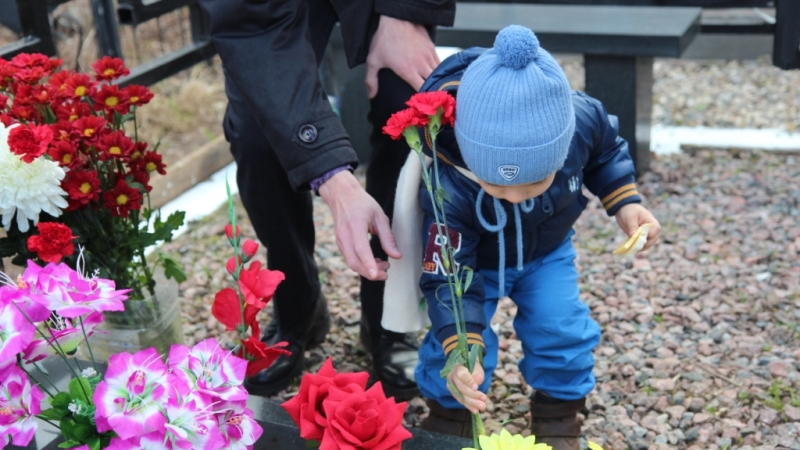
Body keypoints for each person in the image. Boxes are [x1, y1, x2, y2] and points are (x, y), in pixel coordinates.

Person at [408, 26, 661, 449]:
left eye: (535, 182)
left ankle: (559, 410)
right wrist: (462, 346)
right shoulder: (448, 188)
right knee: (454, 345)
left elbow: (605, 152)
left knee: (561, 327)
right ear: (471, 157)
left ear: (562, 150)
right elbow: (448, 280)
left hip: (547, 252)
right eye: (496, 185)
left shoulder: (579, 123)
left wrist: (625, 202)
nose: (513, 197)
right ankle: (450, 410)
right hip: (474, 266)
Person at [196, 0, 455, 399]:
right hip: (258, 12)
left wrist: (403, 12)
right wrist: (334, 178)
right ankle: (298, 306)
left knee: (406, 101)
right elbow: (251, 27)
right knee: (256, 132)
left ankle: (387, 318)